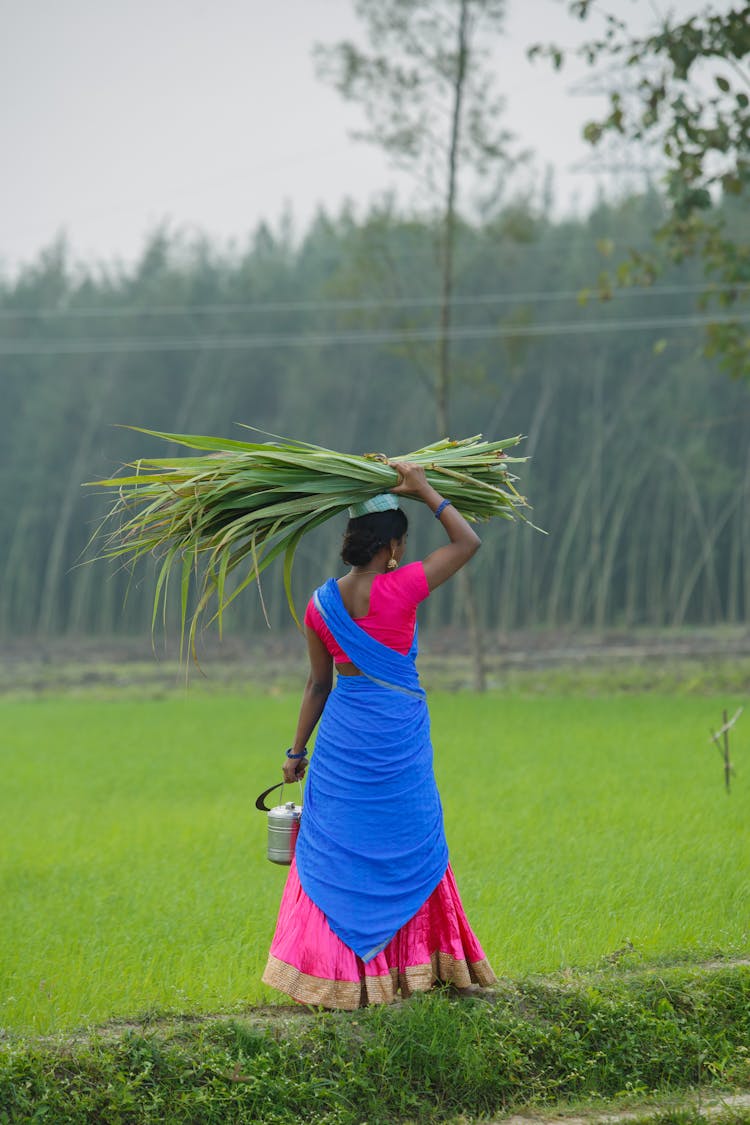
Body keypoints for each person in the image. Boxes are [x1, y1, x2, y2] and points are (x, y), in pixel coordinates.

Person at [262, 462, 496, 1009]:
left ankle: (338, 979)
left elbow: (319, 684)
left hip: (344, 737)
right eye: (401, 543)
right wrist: (424, 489)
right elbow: (468, 541)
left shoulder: (319, 606)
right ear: (391, 546)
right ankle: (415, 969)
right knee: (407, 841)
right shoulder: (405, 584)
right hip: (397, 732)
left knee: (337, 846)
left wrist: (296, 753)